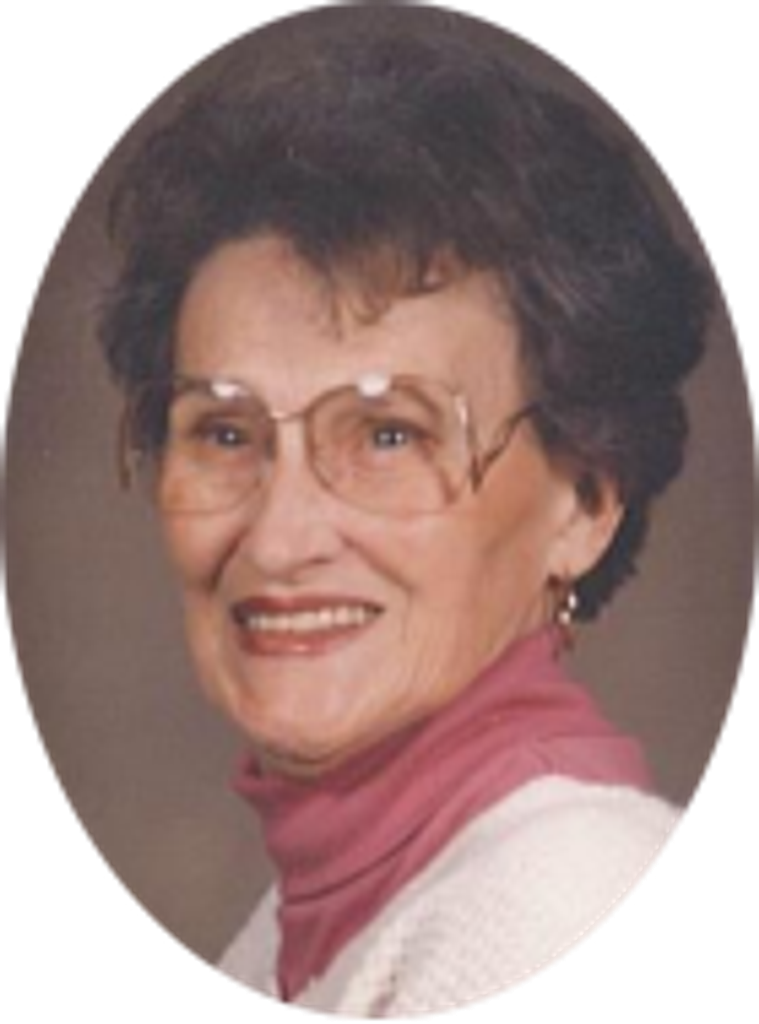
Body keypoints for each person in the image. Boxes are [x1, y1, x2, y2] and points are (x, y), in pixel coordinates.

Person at [100, 8, 711, 1016]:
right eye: (225, 433)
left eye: (389, 435)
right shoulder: (297, 936)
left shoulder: (558, 909)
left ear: (585, 503)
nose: (279, 539)